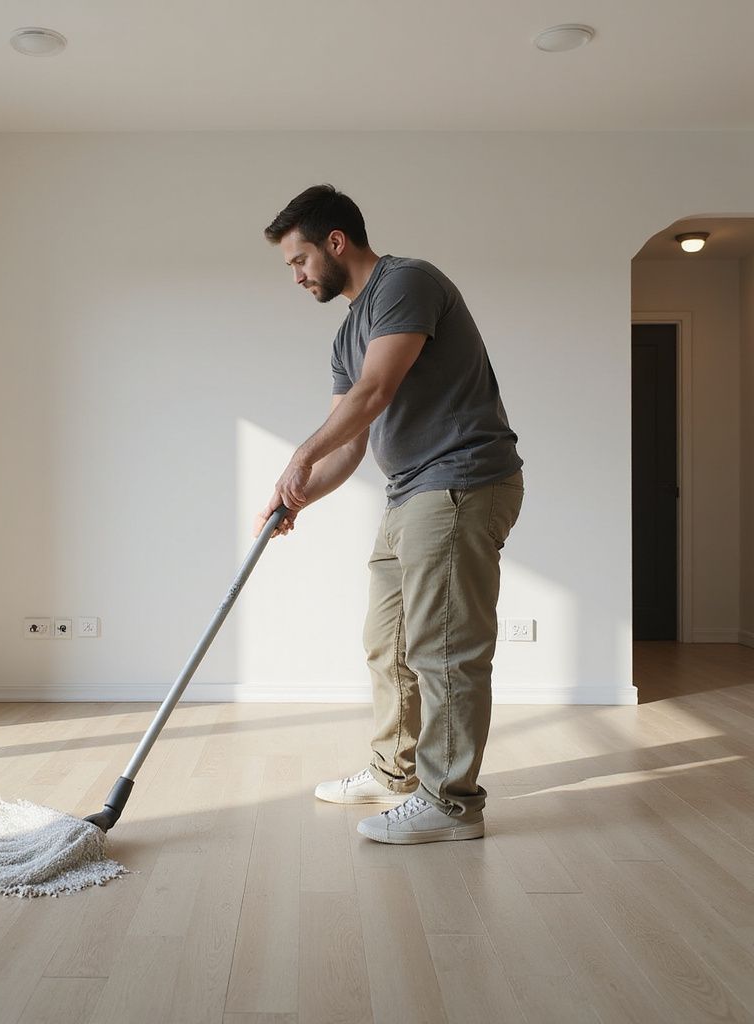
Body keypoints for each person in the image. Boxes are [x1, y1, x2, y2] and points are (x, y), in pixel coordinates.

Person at [255, 184, 524, 845]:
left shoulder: (406, 283)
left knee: (445, 652)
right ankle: (396, 772)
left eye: (299, 260)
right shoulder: (349, 333)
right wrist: (297, 495)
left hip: (459, 484)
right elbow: (349, 440)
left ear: (335, 243)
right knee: (390, 643)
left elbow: (375, 393)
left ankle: (452, 804)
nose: (295, 276)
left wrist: (296, 454)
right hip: (410, 494)